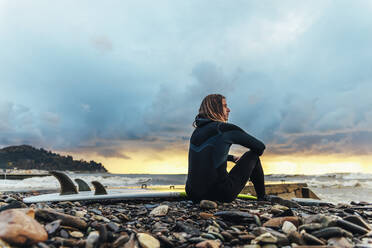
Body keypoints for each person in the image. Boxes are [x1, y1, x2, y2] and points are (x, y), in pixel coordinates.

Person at [185, 94, 267, 203]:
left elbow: (205, 156)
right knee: (253, 156)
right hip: (220, 193)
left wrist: (231, 157)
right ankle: (262, 198)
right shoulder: (224, 129)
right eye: (224, 106)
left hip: (192, 194)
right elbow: (260, 147)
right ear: (215, 108)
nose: (229, 110)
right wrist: (245, 164)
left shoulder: (196, 133)